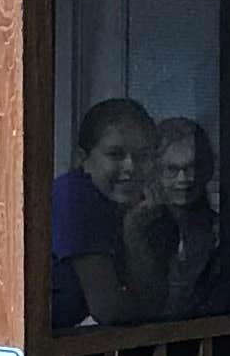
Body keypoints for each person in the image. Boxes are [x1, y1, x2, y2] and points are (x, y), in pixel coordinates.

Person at [47, 98, 156, 331]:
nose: (131, 166)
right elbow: (109, 310)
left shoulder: (125, 206)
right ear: (81, 159)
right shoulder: (76, 197)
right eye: (115, 154)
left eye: (143, 155)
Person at [128, 116, 228, 318]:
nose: (184, 180)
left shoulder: (219, 228)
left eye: (192, 168)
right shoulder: (136, 223)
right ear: (155, 172)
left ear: (207, 169)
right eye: (172, 170)